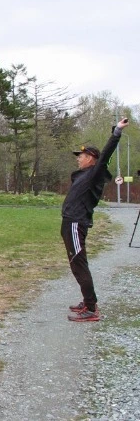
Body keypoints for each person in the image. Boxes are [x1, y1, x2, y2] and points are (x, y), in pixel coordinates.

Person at [64, 117, 129, 322]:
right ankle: (87, 300)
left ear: (91, 158)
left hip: (76, 223)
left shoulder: (94, 173)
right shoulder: (83, 174)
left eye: (81, 155)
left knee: (79, 263)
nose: (78, 159)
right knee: (76, 264)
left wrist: (116, 131)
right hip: (69, 222)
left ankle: (91, 309)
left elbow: (107, 154)